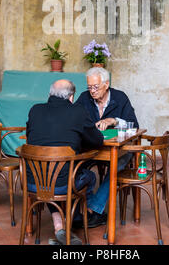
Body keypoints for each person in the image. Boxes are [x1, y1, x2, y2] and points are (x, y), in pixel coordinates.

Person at [26, 79, 104, 245]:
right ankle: (78, 218)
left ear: (50, 94)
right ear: (71, 97)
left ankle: (59, 227)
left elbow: (30, 136)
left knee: (49, 179)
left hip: (33, 182)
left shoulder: (35, 110)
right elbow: (97, 141)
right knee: (89, 176)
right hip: (63, 184)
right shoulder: (78, 111)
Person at [73, 67, 139, 228]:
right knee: (77, 166)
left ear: (106, 84)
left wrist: (114, 120)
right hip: (92, 148)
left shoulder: (120, 97)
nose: (92, 91)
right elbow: (73, 119)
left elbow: (135, 126)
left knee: (117, 164)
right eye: (89, 87)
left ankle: (92, 209)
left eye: (96, 87)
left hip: (119, 149)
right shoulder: (84, 98)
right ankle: (80, 210)